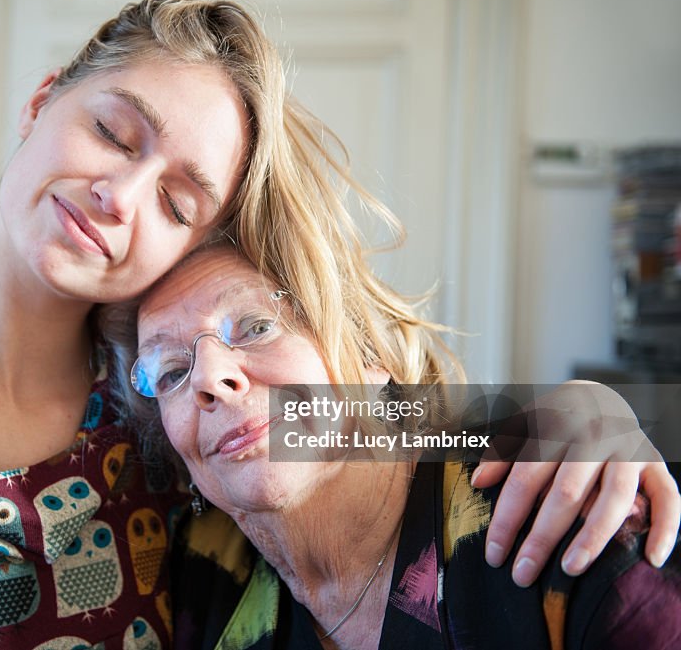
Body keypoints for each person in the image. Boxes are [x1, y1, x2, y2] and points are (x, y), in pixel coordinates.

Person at [0, 0, 677, 650]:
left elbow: (409, 425)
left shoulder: (170, 437)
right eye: (111, 132)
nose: (120, 195)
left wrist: (589, 407)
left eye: (179, 201)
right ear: (41, 102)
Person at [124, 242, 681, 649]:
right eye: (171, 370)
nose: (209, 377)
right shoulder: (194, 580)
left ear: (369, 355)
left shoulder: (558, 509)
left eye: (255, 326)